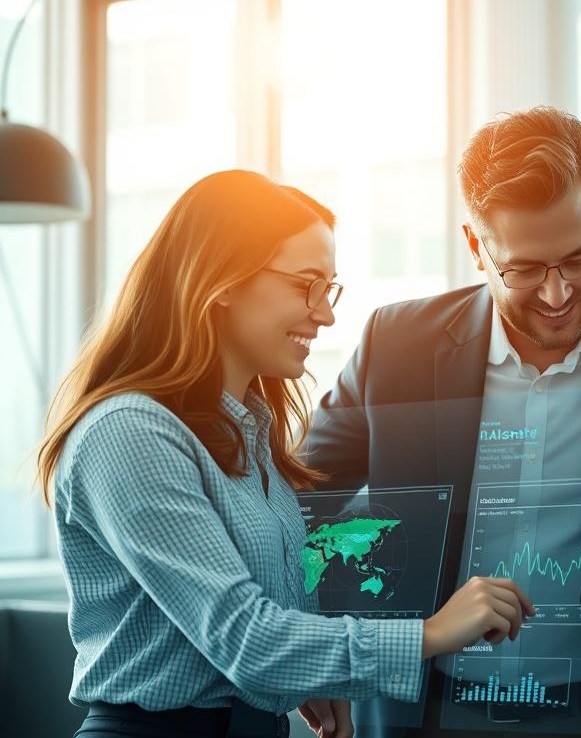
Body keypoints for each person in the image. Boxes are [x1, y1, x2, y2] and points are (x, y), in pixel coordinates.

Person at [38, 170, 534, 738]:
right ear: (221, 279)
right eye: (306, 285)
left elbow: (264, 623)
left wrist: (317, 675)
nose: (324, 314)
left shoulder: (248, 437)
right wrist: (432, 633)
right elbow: (245, 638)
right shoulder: (130, 434)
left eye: (330, 289)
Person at [304, 107, 581, 737]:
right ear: (476, 246)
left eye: (578, 258)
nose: (558, 294)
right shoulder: (395, 346)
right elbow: (296, 508)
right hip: (426, 714)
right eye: (525, 269)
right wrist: (322, 657)